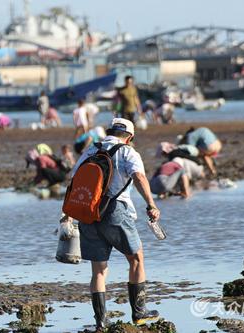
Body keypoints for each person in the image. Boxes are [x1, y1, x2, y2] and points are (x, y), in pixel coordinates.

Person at [61, 118, 161, 329]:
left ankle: (101, 322)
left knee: (98, 270)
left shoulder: (91, 149)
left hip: (88, 213)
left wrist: (68, 213)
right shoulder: (128, 152)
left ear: (109, 131)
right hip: (116, 211)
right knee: (136, 259)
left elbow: (73, 178)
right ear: (130, 137)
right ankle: (139, 312)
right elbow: (139, 177)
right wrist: (151, 204)